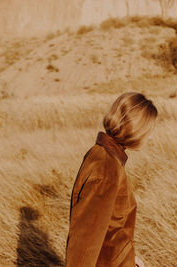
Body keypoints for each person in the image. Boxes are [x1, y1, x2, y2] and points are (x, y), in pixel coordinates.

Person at [65, 92, 158, 267]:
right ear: (135, 130)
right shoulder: (106, 167)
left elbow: (110, 226)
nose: (149, 137)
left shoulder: (104, 156)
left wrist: (129, 257)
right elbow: (84, 241)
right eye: (148, 131)